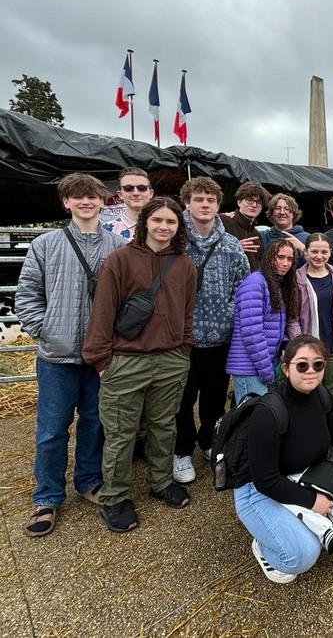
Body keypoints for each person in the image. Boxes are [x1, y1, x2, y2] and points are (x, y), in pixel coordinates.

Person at [16, 173, 124, 537]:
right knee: (51, 430)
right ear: (65, 202)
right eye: (77, 197)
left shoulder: (117, 247)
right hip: (57, 355)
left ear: (102, 201)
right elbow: (27, 295)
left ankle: (89, 480)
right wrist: (44, 329)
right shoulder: (45, 245)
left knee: (95, 424)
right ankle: (46, 496)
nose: (85, 202)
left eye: (92, 196)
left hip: (100, 357)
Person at [83, 197, 196, 532]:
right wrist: (102, 360)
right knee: (121, 433)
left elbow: (187, 312)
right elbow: (102, 311)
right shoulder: (120, 260)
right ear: (145, 221)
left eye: (171, 222)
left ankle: (160, 482)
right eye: (157, 220)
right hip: (126, 361)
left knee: (164, 427)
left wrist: (184, 350)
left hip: (170, 360)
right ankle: (115, 497)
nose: (164, 227)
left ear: (178, 227)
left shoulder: (185, 264)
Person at [234, 335, 333, 584]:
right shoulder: (269, 412)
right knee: (301, 557)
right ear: (286, 369)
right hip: (258, 489)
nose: (311, 371)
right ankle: (265, 547)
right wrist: (313, 501)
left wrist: (328, 485)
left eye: (318, 364)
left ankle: (303, 524)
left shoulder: (324, 397)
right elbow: (265, 480)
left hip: (306, 472)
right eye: (302, 365)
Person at [173, 177, 249, 485]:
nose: (205, 205)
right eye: (199, 199)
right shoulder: (174, 241)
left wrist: (229, 314)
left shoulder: (230, 245)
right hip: (182, 338)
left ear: (218, 206)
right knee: (182, 398)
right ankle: (181, 451)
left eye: (211, 200)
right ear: (187, 203)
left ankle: (207, 441)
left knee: (214, 399)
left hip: (220, 337)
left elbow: (243, 286)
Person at [287, 234, 333, 400]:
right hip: (308, 347)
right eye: (314, 251)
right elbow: (293, 318)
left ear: (330, 252)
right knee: (307, 393)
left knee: (331, 396)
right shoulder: (297, 279)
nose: (319, 256)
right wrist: (300, 345)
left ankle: (329, 425)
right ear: (305, 252)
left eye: (323, 252)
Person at [226, 240, 299, 403]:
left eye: (289, 259)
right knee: (252, 423)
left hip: (264, 365)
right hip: (251, 368)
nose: (285, 263)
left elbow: (272, 328)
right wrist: (266, 370)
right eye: (280, 257)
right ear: (268, 257)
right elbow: (252, 333)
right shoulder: (254, 283)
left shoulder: (275, 284)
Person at [220, 181, 271, 271]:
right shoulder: (223, 221)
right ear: (239, 202)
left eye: (259, 202)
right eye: (250, 200)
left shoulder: (256, 234)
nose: (254, 205)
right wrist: (234, 248)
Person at [101, 166, 154, 240]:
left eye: (142, 188)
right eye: (128, 189)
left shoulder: (164, 227)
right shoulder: (105, 230)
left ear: (151, 193)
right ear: (120, 195)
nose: (136, 193)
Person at [260, 193, 309, 264]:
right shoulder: (263, 237)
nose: (282, 212)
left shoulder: (307, 238)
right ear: (271, 213)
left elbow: (319, 266)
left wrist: (303, 249)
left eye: (287, 209)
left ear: (294, 213)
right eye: (277, 208)